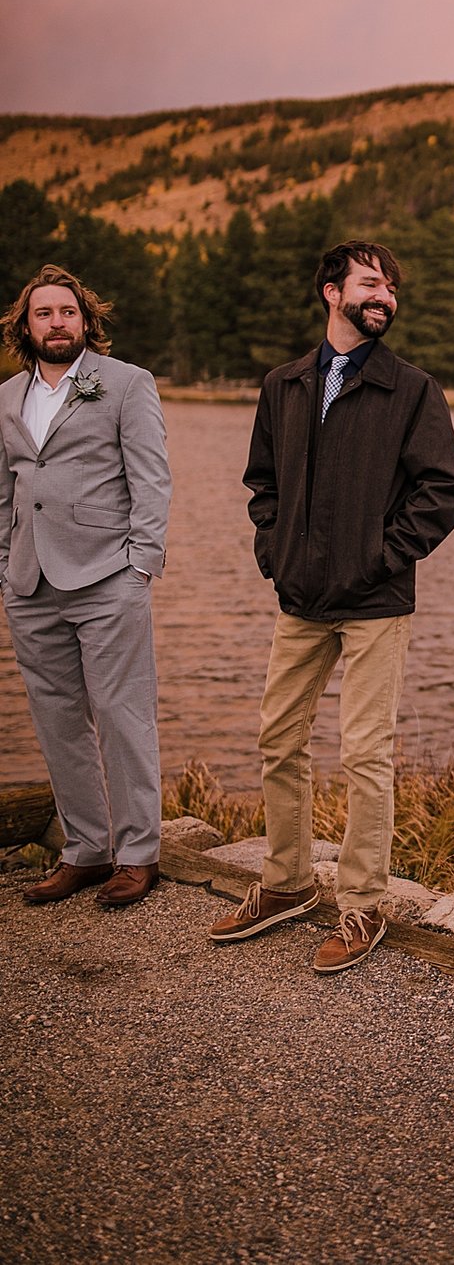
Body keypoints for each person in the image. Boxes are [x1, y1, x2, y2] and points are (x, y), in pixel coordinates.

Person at [209, 240, 454, 972]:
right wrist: (275, 551)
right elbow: (262, 484)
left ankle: (362, 905)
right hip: (299, 598)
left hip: (376, 601)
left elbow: (443, 491)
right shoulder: (283, 384)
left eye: (391, 286)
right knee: (278, 739)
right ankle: (287, 883)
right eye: (370, 283)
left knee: (364, 752)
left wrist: (381, 557)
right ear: (331, 291)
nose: (384, 295)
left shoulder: (412, 389)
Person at [0, 264, 171, 908]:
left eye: (67, 312)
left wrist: (139, 566)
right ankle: (85, 850)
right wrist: (4, 568)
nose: (56, 322)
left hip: (107, 578)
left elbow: (151, 480)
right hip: (28, 582)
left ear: (85, 320)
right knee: (56, 719)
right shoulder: (6, 397)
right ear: (26, 325)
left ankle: (137, 855)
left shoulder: (126, 384)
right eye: (43, 314)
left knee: (123, 714)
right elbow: (5, 491)